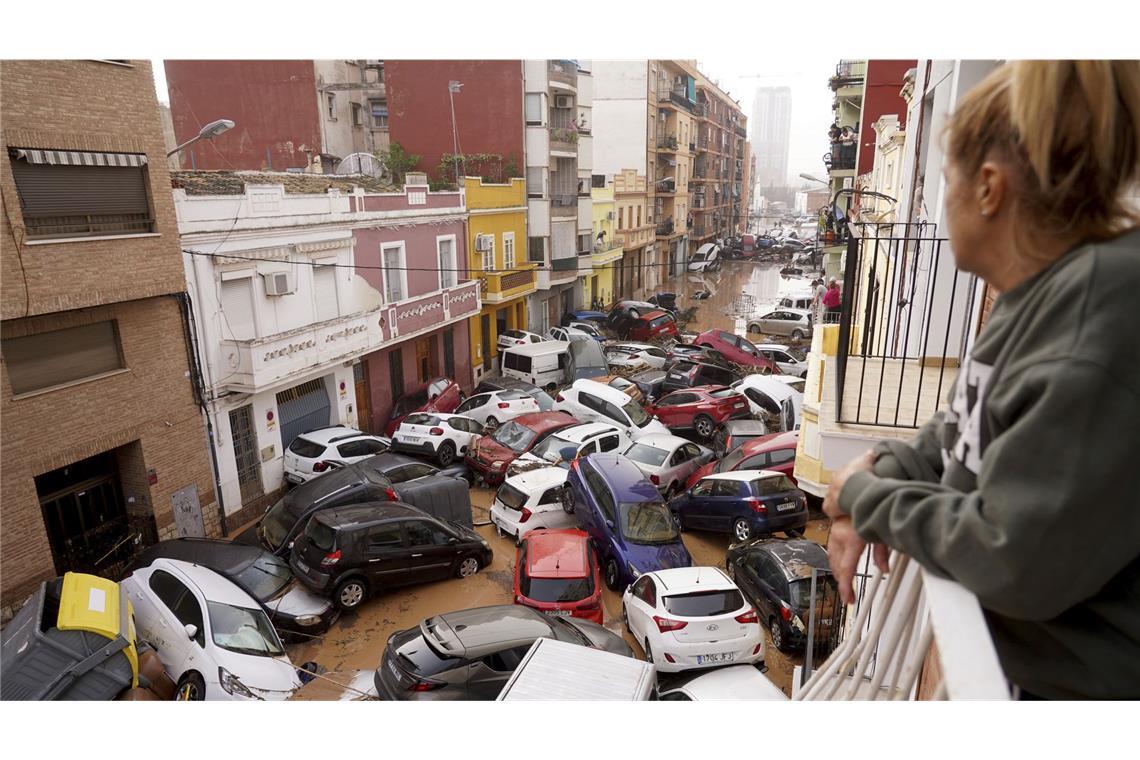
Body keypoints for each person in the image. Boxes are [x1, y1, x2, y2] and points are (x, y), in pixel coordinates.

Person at [822, 60, 1140, 699]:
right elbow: (959, 425)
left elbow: (1011, 555)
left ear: (989, 188)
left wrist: (865, 500)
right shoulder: (1037, 295)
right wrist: (885, 466)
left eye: (947, 180)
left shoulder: (1095, 320)